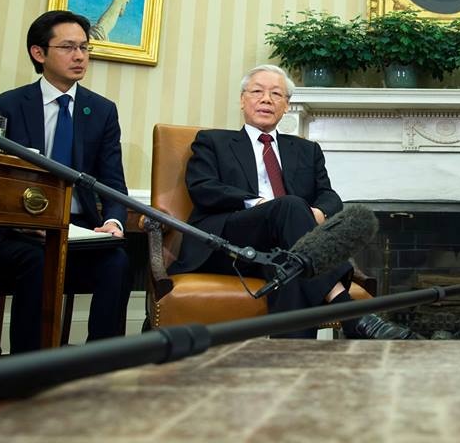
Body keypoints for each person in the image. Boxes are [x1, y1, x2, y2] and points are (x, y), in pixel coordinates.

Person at [172, 64, 416, 339]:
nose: (266, 99)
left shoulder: (306, 150)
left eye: (276, 94)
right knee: (289, 207)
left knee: (289, 264)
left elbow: (329, 195)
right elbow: (203, 188)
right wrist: (259, 203)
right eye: (257, 92)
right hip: (229, 243)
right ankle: (350, 312)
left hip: (282, 247)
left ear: (286, 105)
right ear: (242, 100)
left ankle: (290, 357)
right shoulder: (213, 141)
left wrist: (319, 212)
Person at [0, 10, 132, 353]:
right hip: (18, 232)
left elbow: (113, 182)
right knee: (38, 261)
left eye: (84, 47)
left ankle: (101, 364)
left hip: (79, 230)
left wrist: (113, 221)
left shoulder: (101, 111)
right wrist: (26, 221)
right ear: (39, 53)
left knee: (117, 262)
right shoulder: (6, 105)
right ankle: (31, 368)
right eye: (68, 47)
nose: (80, 56)